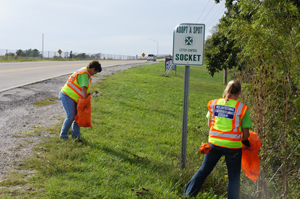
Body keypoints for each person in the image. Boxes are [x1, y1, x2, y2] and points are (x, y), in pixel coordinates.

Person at [183, 80, 252, 199]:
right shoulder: (242, 109)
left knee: (203, 171)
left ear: (226, 90)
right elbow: (246, 135)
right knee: (234, 178)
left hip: (213, 144)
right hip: (233, 148)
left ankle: (188, 195)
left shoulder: (214, 104)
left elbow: (210, 125)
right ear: (239, 92)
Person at [59, 60, 102, 142]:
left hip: (73, 97)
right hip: (67, 95)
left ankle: (76, 137)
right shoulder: (84, 74)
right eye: (95, 72)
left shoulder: (85, 71)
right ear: (93, 69)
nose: (94, 74)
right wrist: (84, 102)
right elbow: (83, 89)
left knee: (78, 116)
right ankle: (63, 135)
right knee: (71, 116)